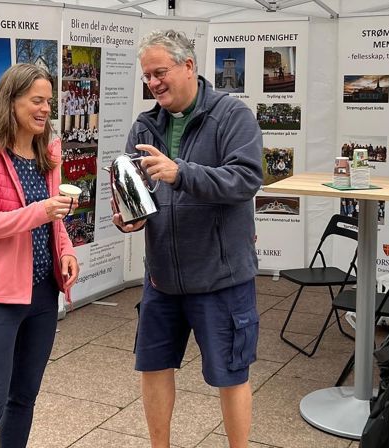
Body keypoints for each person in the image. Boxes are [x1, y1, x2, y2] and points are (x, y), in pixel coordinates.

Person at [114, 29, 263, 448]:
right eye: (147, 76)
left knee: (230, 375)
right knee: (154, 367)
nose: (153, 83)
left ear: (189, 66)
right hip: (161, 278)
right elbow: (135, 199)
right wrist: (129, 218)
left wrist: (182, 173)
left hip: (221, 278)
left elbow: (247, 178)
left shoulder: (233, 116)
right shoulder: (144, 125)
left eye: (160, 72)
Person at [0, 63, 80, 448]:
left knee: (23, 399)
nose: (45, 109)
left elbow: (55, 218)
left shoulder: (48, 151)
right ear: (11, 102)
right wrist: (42, 211)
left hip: (43, 295)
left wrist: (65, 251)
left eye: (49, 101)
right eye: (36, 100)